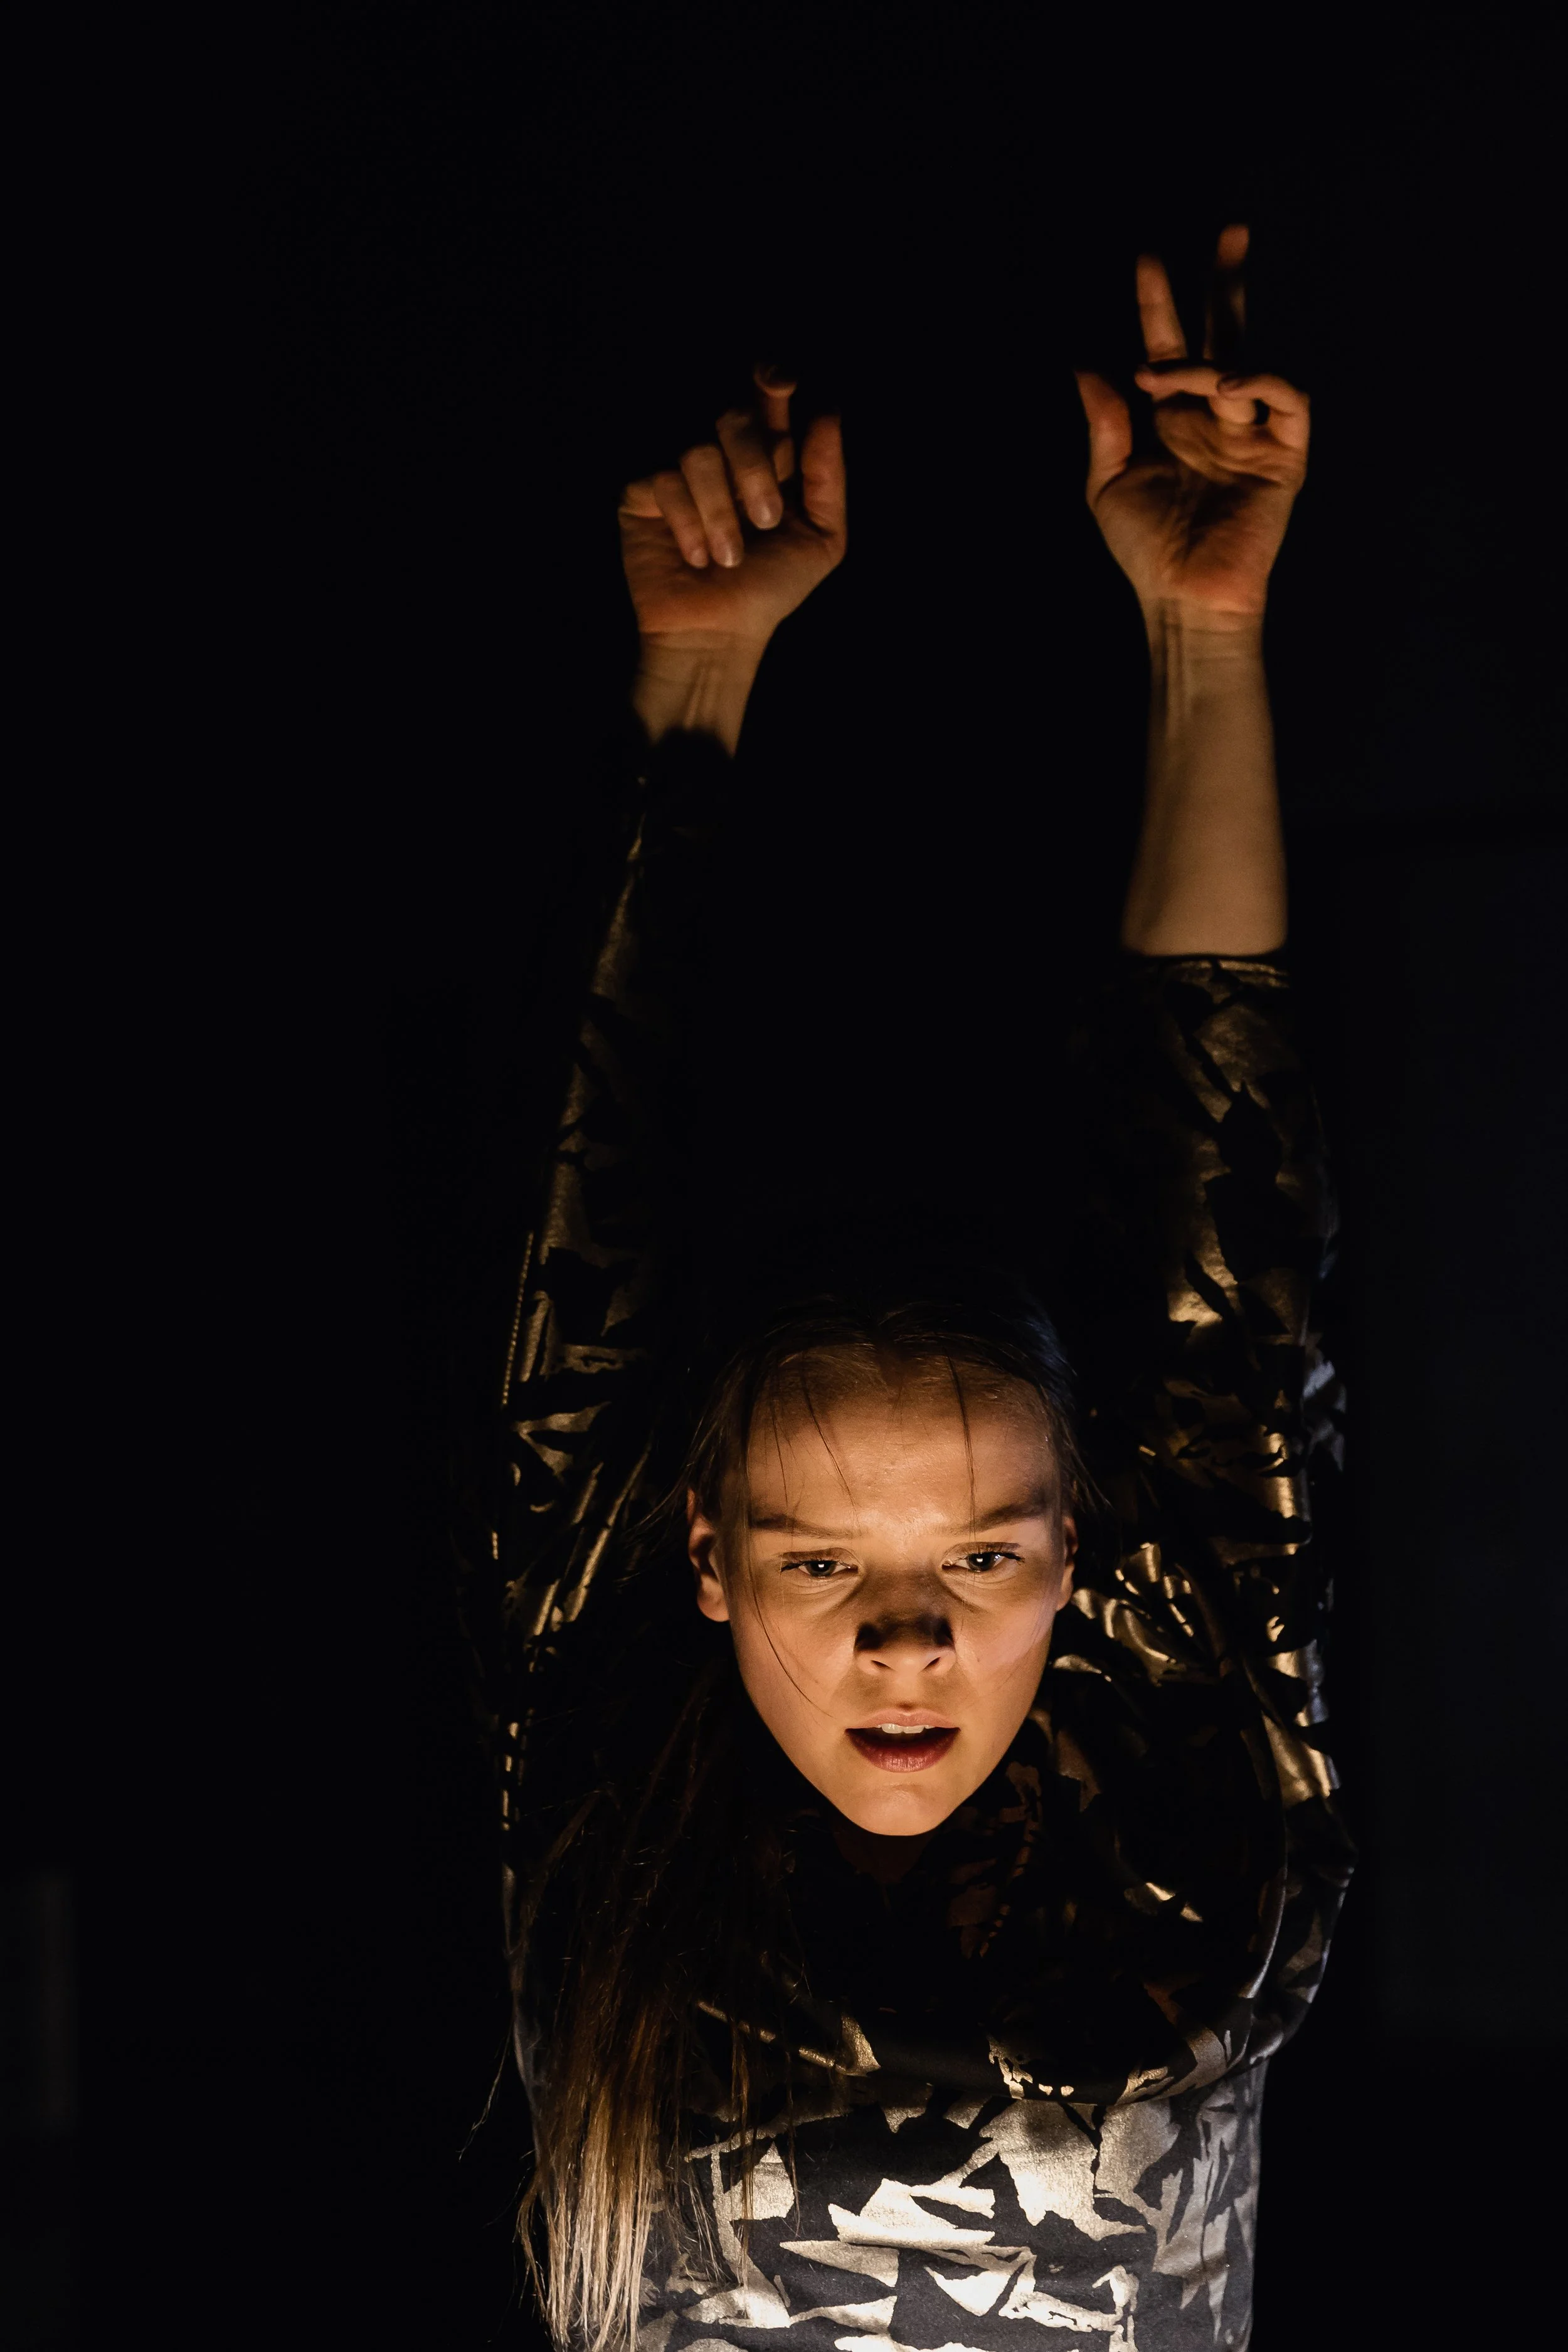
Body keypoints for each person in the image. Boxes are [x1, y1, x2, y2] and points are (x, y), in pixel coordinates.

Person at [458, 226, 1352, 2352]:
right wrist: (688, 682)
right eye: (818, 1557)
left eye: (979, 1550)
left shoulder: (1186, 1766)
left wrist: (1205, 634)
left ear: (1082, 1557)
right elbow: (582, 1264)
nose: (904, 1637)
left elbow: (1231, 1215)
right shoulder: (610, 1774)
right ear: (703, 1559)